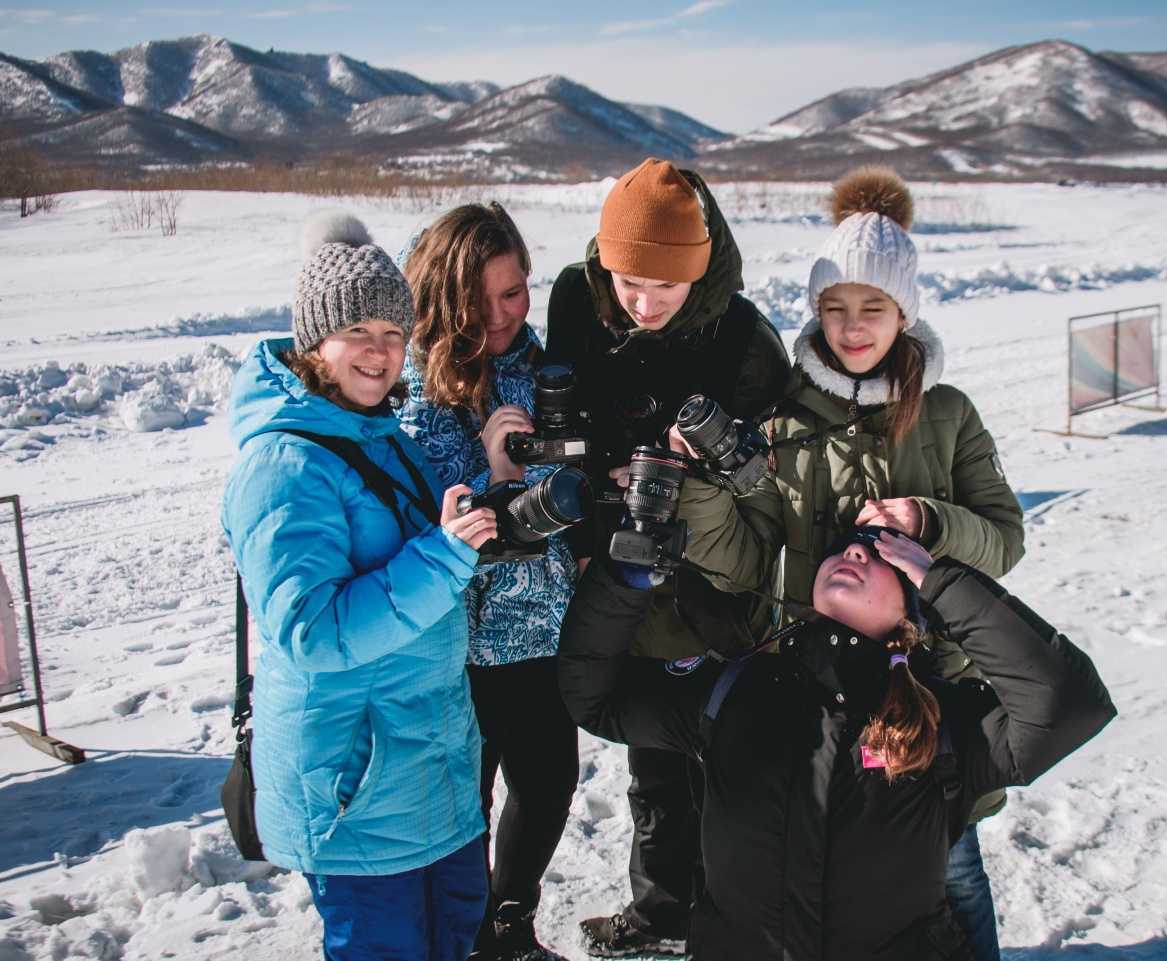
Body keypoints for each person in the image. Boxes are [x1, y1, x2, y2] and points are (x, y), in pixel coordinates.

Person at [672, 167, 1023, 960]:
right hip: (815, 681)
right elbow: (741, 557)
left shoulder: (947, 412)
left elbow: (1004, 537)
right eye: (835, 308)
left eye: (873, 309)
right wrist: (699, 488)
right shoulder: (783, 415)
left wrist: (930, 521)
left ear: (906, 311)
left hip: (927, 681)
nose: (853, 327)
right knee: (829, 859)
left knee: (951, 863)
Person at [558, 526, 1116, 961]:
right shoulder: (732, 691)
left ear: (911, 608)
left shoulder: (944, 721)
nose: (853, 555)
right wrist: (620, 578)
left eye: (880, 556)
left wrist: (942, 580)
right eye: (842, 551)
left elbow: (1071, 705)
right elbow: (595, 699)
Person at [222, 211, 496, 961]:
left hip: (429, 764)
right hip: (359, 787)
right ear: (316, 342)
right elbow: (313, 630)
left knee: (457, 939)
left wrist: (491, 491)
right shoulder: (283, 465)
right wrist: (443, 558)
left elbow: (423, 534)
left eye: (393, 334)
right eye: (359, 333)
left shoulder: (378, 431)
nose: (381, 353)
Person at [543, 157, 791, 957]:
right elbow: (563, 419)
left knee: (727, 765)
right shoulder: (577, 304)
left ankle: (734, 923)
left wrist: (708, 466)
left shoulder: (746, 341)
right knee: (653, 769)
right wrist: (602, 478)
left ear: (699, 271)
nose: (643, 305)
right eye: (628, 284)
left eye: (665, 288)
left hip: (713, 586)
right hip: (621, 575)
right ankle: (658, 917)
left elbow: (773, 481)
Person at [398, 202, 579, 961]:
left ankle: (509, 924)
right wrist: (492, 468)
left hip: (539, 622)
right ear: (451, 294)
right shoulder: (413, 376)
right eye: (490, 296)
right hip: (455, 638)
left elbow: (568, 477)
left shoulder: (542, 365)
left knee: (547, 785)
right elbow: (415, 504)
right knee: (461, 806)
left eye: (518, 290)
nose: (508, 312)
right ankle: (467, 936)